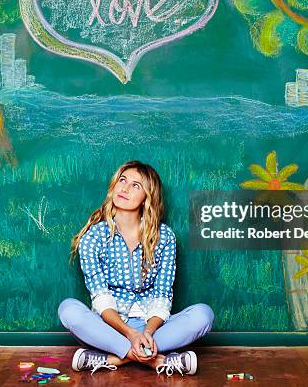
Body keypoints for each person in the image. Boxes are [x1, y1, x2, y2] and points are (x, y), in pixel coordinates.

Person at [58, 160, 214, 376]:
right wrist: (130, 335)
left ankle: (112, 358)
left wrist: (146, 332)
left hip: (153, 330)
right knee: (69, 310)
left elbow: (162, 296)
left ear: (147, 198)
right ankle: (156, 361)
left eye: (136, 185)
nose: (125, 188)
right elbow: (101, 299)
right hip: (110, 328)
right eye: (122, 181)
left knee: (203, 315)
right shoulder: (93, 237)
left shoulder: (164, 237)